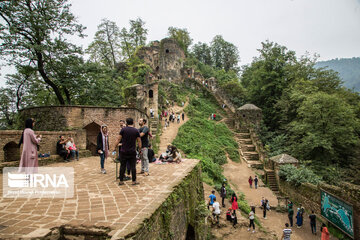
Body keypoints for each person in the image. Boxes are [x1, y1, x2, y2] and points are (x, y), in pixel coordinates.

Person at [113, 118, 141, 185]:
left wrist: (114, 147)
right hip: (132, 151)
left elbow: (118, 139)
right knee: (133, 167)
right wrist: (140, 149)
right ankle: (134, 181)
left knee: (122, 166)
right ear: (133, 122)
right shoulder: (136, 130)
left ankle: (121, 181)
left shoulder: (123, 130)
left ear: (127, 123)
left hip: (124, 151)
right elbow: (139, 141)